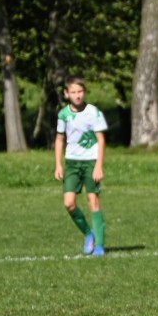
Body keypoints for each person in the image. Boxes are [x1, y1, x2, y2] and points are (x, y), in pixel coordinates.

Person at [54, 77, 108, 257]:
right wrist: (58, 164)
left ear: (84, 92)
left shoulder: (93, 112)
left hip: (91, 161)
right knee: (69, 203)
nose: (77, 95)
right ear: (66, 94)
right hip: (72, 163)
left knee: (93, 201)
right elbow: (59, 139)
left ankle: (99, 245)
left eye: (80, 92)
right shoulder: (63, 114)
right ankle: (88, 233)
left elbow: (101, 140)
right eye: (73, 92)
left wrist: (99, 166)